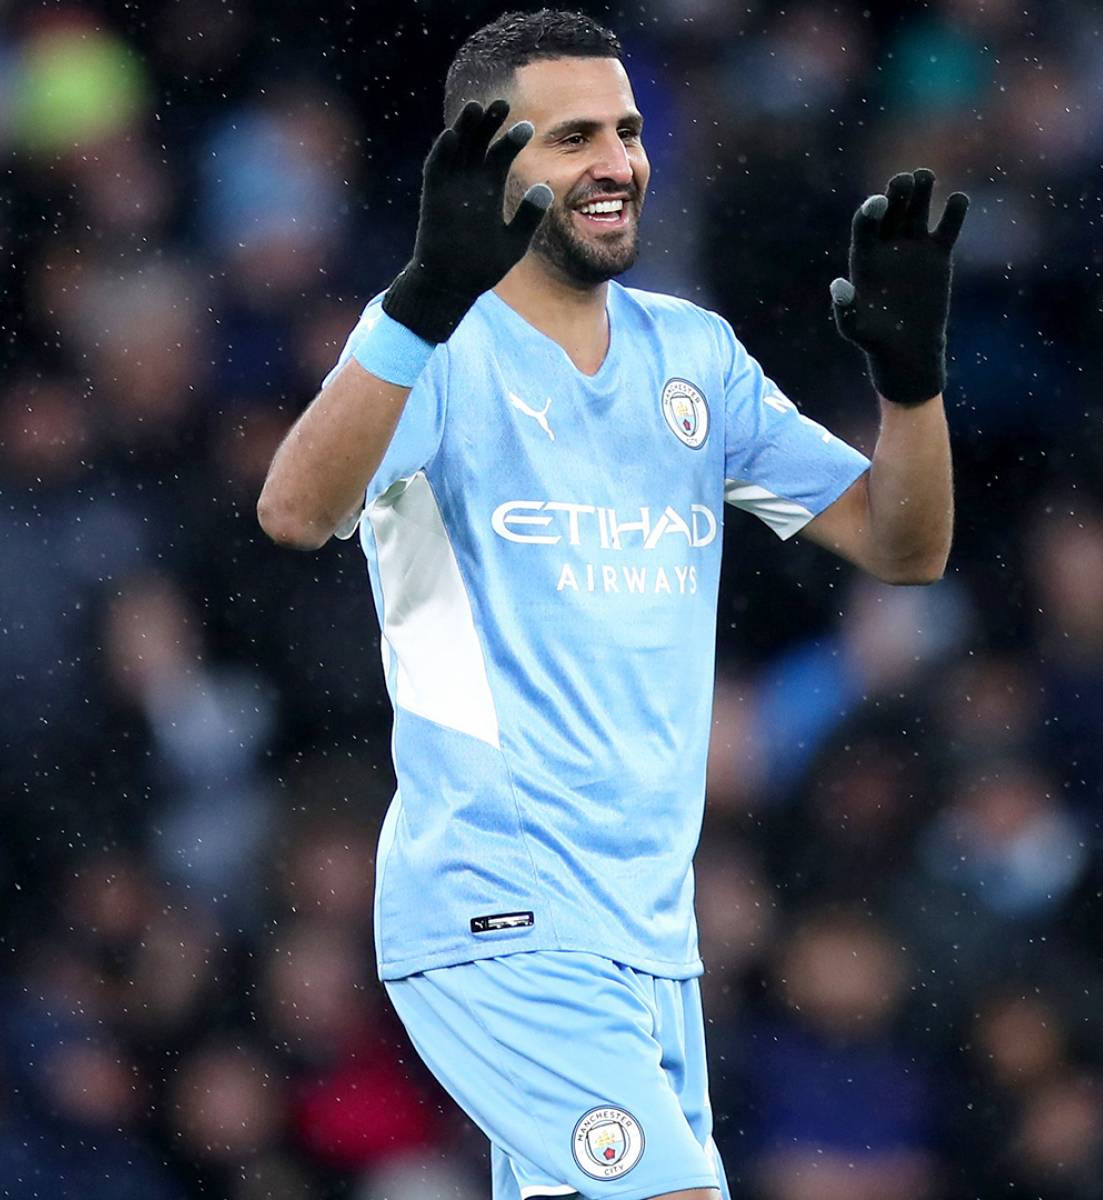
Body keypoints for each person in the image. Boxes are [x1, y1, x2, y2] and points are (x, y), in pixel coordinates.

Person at [256, 10, 968, 1200]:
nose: (617, 163)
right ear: (492, 158)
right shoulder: (435, 347)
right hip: (502, 912)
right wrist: (425, 295)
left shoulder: (692, 358)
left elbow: (905, 546)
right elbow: (292, 509)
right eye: (575, 135)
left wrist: (911, 387)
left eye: (628, 132)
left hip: (651, 936)